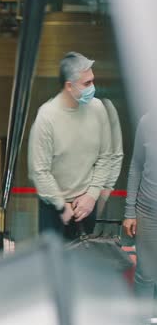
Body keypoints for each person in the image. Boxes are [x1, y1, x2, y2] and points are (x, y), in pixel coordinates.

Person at [28, 52, 111, 239]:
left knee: (82, 264)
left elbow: (105, 157)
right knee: (53, 266)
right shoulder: (47, 117)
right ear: (69, 86)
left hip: (86, 204)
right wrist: (60, 204)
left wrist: (92, 195)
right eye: (87, 84)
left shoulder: (98, 109)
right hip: (54, 207)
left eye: (92, 81)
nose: (93, 88)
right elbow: (39, 171)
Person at [123, 110, 157, 303]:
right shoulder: (147, 121)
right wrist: (129, 212)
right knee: (146, 275)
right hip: (148, 212)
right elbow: (136, 165)